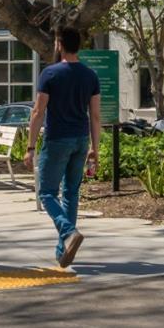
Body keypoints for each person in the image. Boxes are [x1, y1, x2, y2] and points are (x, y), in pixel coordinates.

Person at [24, 27, 101, 269]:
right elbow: (95, 116)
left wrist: (30, 146)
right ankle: (63, 249)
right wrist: (94, 148)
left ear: (59, 44)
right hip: (80, 140)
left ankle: (68, 231)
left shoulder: (50, 74)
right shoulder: (90, 76)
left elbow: (38, 112)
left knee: (46, 192)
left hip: (57, 139)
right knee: (71, 194)